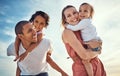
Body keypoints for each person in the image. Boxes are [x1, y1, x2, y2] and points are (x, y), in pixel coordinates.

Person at [7, 11, 68, 76]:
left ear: (44, 25)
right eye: (36, 21)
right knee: (21, 62)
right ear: (32, 21)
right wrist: (17, 54)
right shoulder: (25, 29)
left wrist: (26, 52)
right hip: (26, 71)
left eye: (41, 23)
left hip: (41, 71)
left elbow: (36, 43)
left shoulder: (40, 34)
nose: (38, 25)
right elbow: (17, 39)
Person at [61, 5, 106, 76]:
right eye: (69, 16)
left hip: (98, 65)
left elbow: (98, 43)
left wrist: (98, 47)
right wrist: (98, 51)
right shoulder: (67, 32)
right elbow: (85, 55)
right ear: (66, 20)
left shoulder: (83, 29)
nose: (73, 17)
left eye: (74, 13)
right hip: (83, 69)